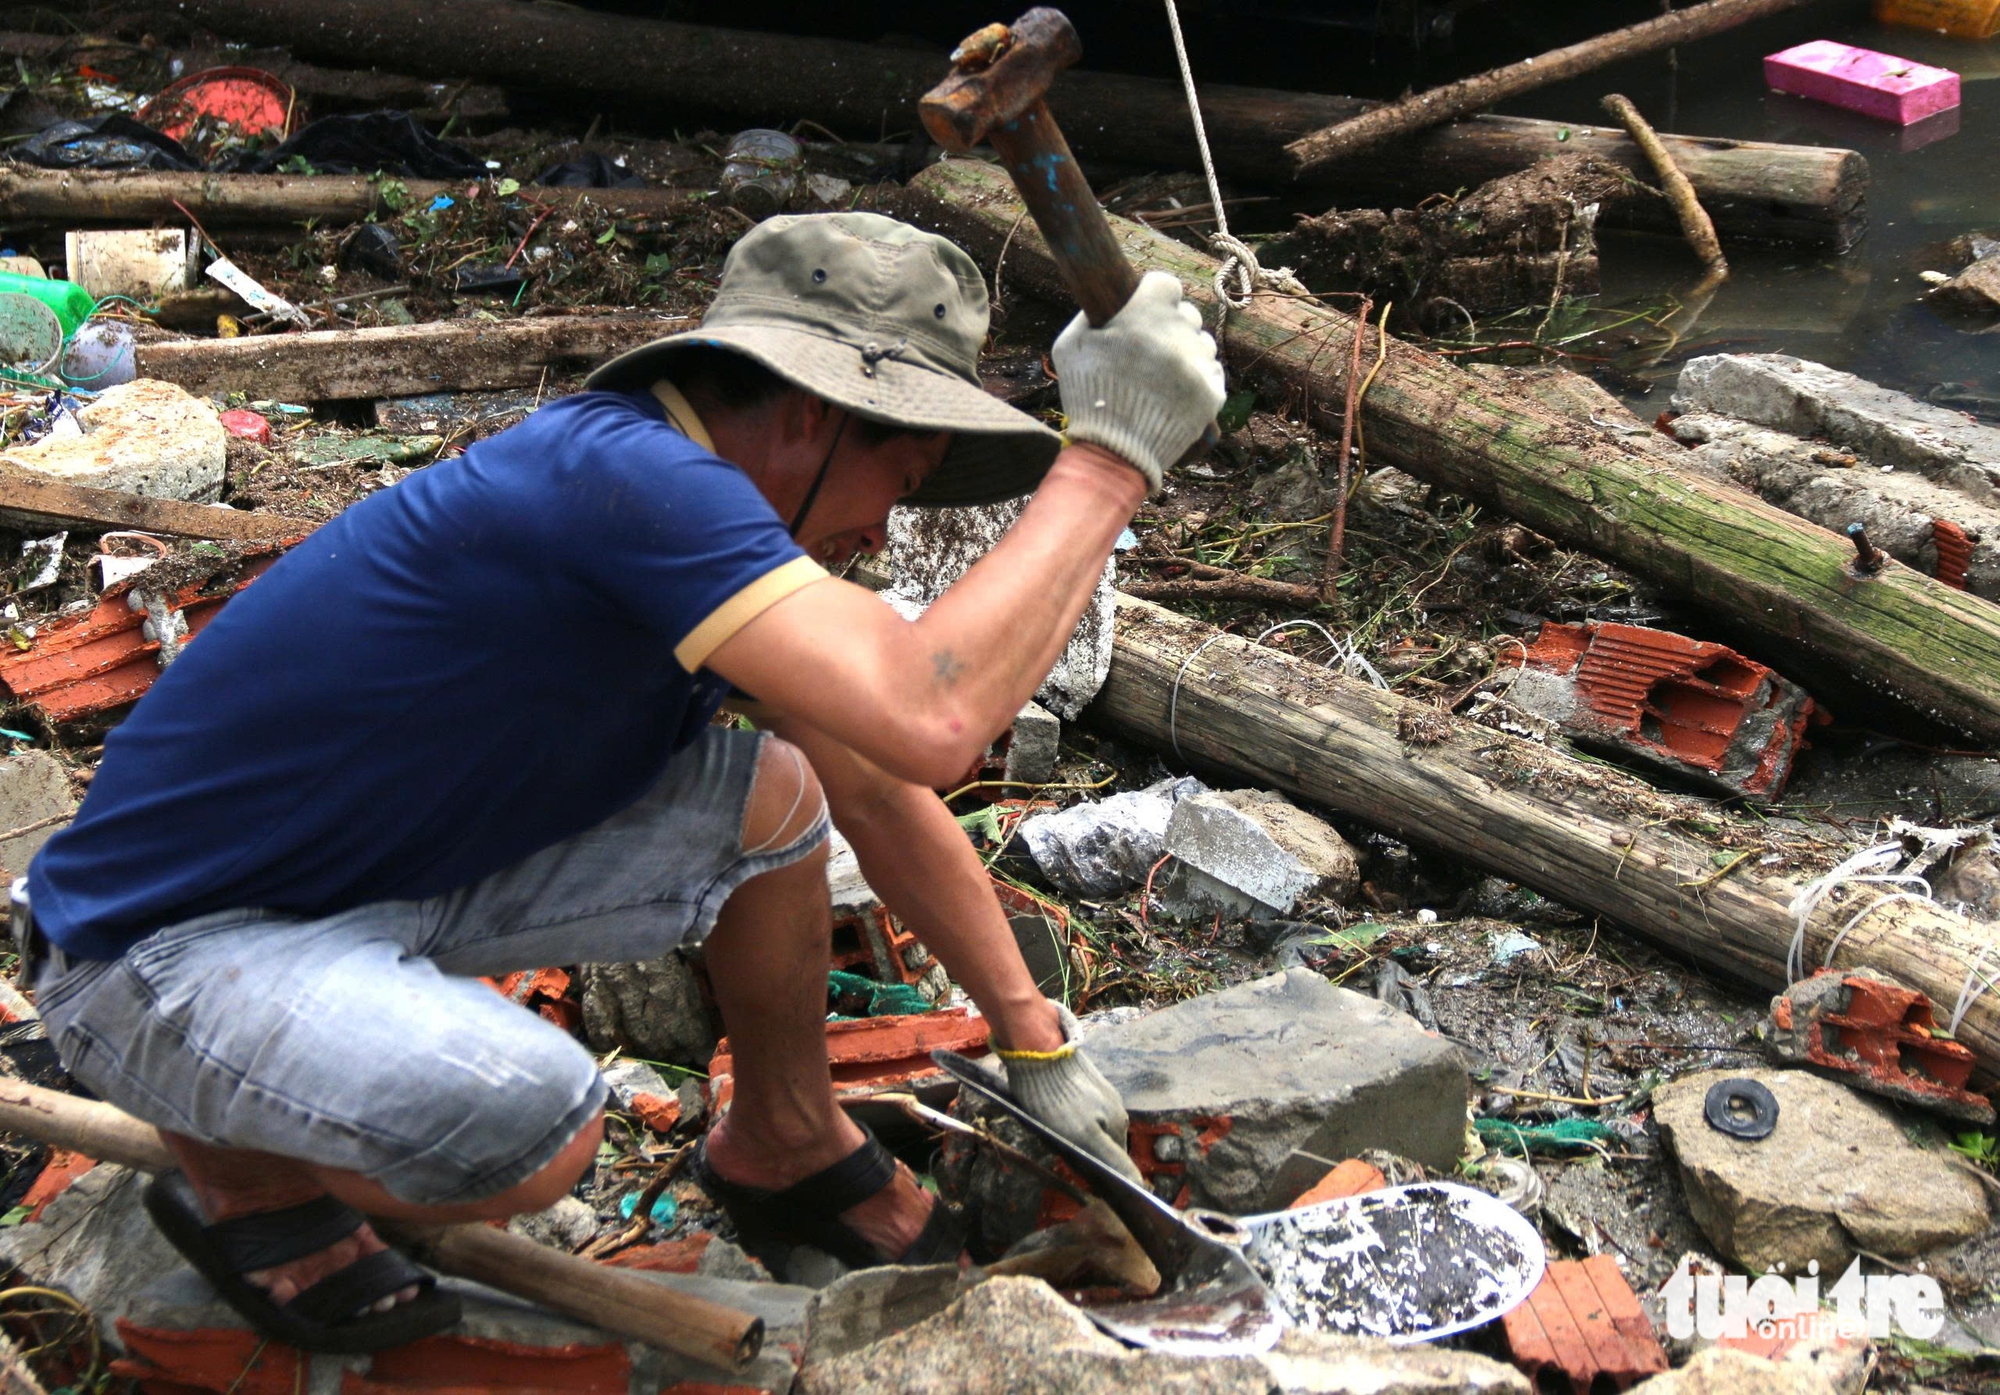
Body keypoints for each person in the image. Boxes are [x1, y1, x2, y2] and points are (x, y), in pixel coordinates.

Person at [18, 211, 1224, 1352]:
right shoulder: (631, 480)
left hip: (359, 887)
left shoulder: (683, 501)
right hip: (157, 952)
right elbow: (935, 717)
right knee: (530, 1129)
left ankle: (785, 1139)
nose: (881, 536)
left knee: (776, 797)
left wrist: (1034, 1043)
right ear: (814, 414)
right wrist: (1108, 463)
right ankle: (241, 1173)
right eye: (896, 490)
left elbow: (874, 786)